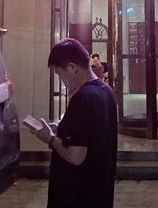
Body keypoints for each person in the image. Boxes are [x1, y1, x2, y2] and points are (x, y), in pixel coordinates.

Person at [32, 38, 118, 207]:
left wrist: (49, 138)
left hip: (77, 196)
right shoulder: (106, 91)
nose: (62, 81)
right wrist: (61, 129)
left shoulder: (82, 99)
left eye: (59, 73)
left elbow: (75, 156)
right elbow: (91, 133)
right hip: (99, 193)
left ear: (72, 68)